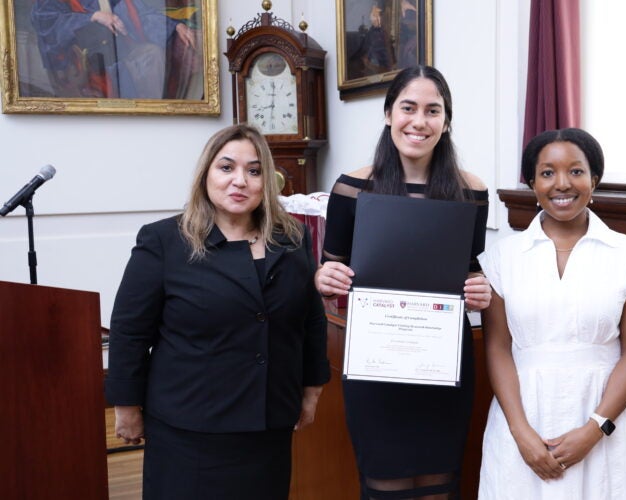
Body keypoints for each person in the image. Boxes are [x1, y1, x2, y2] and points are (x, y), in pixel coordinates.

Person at [105, 124, 330, 499]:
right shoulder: (163, 241)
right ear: (206, 174)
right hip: (189, 430)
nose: (239, 180)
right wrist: (126, 406)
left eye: (254, 171)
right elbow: (130, 331)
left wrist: (312, 390)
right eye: (226, 168)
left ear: (266, 181)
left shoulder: (292, 238)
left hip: (267, 424)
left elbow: (310, 319)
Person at [316, 65, 493, 499]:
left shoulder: (471, 190)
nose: (419, 121)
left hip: (442, 358)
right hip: (378, 361)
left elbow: (471, 268)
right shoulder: (353, 187)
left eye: (433, 110)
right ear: (388, 114)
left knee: (440, 480)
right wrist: (325, 277)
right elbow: (329, 268)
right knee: (384, 481)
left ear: (446, 121)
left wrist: (480, 288)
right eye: (408, 107)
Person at [477, 128, 626, 499]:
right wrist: (522, 434)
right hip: (523, 417)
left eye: (576, 171)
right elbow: (498, 349)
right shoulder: (501, 259)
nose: (562, 184)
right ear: (531, 182)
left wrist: (596, 428)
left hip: (607, 417)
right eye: (547, 173)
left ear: (594, 179)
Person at [30, 0, 196, 98]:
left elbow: (142, 16)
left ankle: (152, 118)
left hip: (121, 54)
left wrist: (175, 26)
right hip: (85, 65)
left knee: (151, 55)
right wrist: (93, 17)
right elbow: (48, 24)